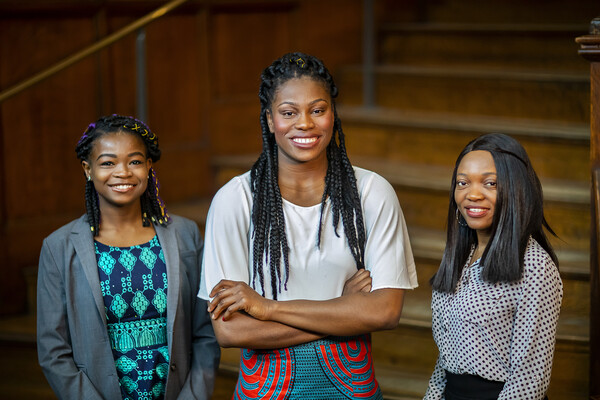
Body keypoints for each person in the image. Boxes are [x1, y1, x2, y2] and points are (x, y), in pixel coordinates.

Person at [198, 52, 418, 399]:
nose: (305, 124)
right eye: (288, 113)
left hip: (351, 388)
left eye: (318, 110)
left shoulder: (372, 193)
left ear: (333, 114)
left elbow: (385, 311)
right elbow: (232, 332)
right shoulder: (235, 200)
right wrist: (343, 308)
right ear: (270, 120)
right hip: (266, 391)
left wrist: (267, 308)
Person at [37, 115, 220, 400]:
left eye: (134, 161)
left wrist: (193, 396)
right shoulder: (58, 247)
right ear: (88, 169)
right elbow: (53, 350)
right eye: (108, 163)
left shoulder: (185, 235)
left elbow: (205, 333)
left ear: (148, 166)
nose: (123, 172)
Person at [424, 133, 563, 400]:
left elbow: (529, 381)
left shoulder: (534, 265)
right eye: (463, 183)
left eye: (490, 183)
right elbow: (445, 360)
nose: (472, 194)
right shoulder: (461, 255)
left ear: (515, 189)